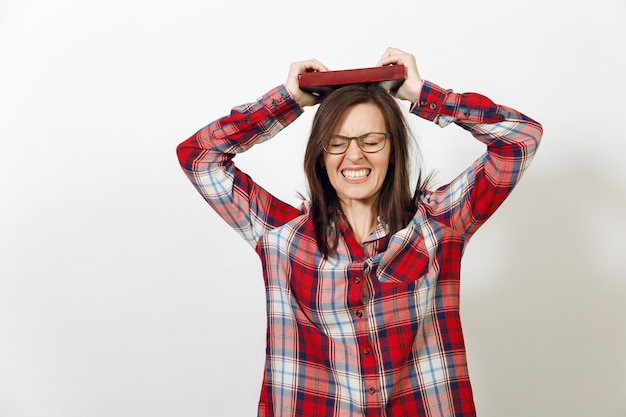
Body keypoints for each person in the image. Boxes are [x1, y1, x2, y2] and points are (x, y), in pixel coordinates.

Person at [176, 47, 542, 417]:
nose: (354, 157)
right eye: (337, 143)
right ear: (320, 154)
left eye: (370, 141)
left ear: (393, 151)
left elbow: (520, 140)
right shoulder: (281, 235)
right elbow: (199, 157)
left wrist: (423, 95)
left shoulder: (439, 224)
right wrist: (286, 101)